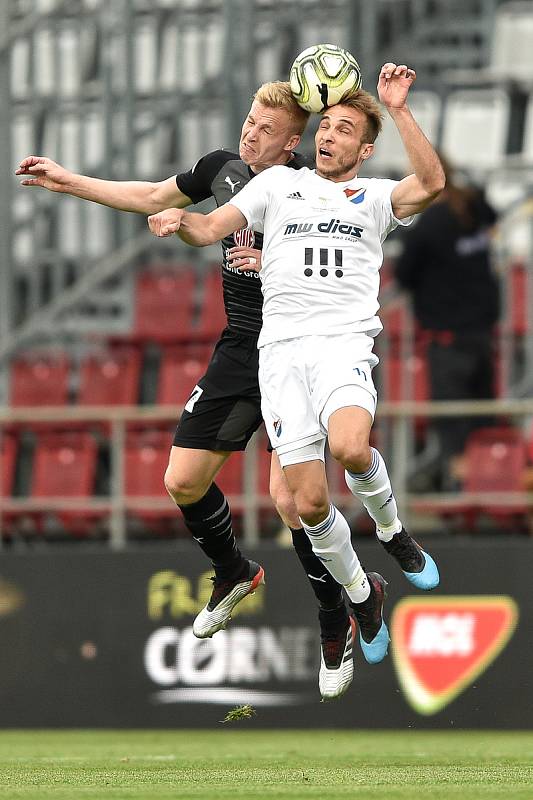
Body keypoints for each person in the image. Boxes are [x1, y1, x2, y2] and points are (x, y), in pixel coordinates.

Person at [16, 82, 356, 685]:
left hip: (294, 348)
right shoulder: (221, 170)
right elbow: (149, 194)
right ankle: (234, 572)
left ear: (292, 142)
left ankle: (336, 615)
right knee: (181, 480)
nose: (251, 133)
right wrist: (70, 181)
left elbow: (349, 250)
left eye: (266, 130)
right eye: (250, 120)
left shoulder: (312, 183)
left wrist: (279, 258)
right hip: (239, 349)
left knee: (292, 502)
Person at [147, 62, 445, 700]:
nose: (328, 137)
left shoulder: (374, 198)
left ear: (364, 149)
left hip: (341, 347)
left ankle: (394, 535)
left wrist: (397, 108)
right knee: (305, 505)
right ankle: (364, 595)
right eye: (326, 126)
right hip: (276, 354)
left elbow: (433, 183)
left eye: (343, 130)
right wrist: (180, 225)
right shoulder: (278, 184)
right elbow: (210, 227)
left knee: (352, 447)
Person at [395, 154, 499, 489]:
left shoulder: (427, 228)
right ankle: (489, 492)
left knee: (455, 430)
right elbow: (492, 217)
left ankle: (464, 501)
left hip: (449, 342)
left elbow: (402, 275)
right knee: (483, 422)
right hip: (483, 336)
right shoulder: (472, 206)